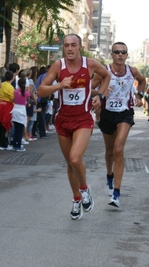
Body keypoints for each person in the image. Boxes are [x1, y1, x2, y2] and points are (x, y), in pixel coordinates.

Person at [37, 34, 111, 220]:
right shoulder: (58, 66)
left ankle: (85, 189)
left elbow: (107, 76)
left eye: (73, 45)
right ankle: (76, 199)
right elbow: (40, 90)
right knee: (70, 163)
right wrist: (60, 85)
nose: (69, 49)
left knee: (75, 158)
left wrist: (100, 96)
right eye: (66, 45)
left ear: (79, 47)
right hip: (63, 119)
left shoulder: (90, 64)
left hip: (83, 119)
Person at [92, 41, 146, 208]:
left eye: (123, 52)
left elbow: (142, 81)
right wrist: (100, 92)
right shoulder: (104, 72)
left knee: (118, 149)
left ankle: (116, 192)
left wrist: (139, 96)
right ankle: (109, 175)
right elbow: (89, 88)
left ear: (127, 55)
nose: (120, 55)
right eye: (117, 52)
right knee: (109, 151)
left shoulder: (132, 71)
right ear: (112, 55)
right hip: (107, 114)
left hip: (125, 113)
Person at [0, 71, 15, 150]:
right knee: (5, 124)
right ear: (12, 78)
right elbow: (12, 98)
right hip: (7, 106)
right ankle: (3, 143)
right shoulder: (11, 87)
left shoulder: (1, 84)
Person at [12, 77, 30, 152]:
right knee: (20, 130)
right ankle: (18, 146)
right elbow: (27, 102)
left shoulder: (15, 92)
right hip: (22, 111)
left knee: (16, 129)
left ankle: (14, 145)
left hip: (15, 109)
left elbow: (13, 99)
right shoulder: (27, 93)